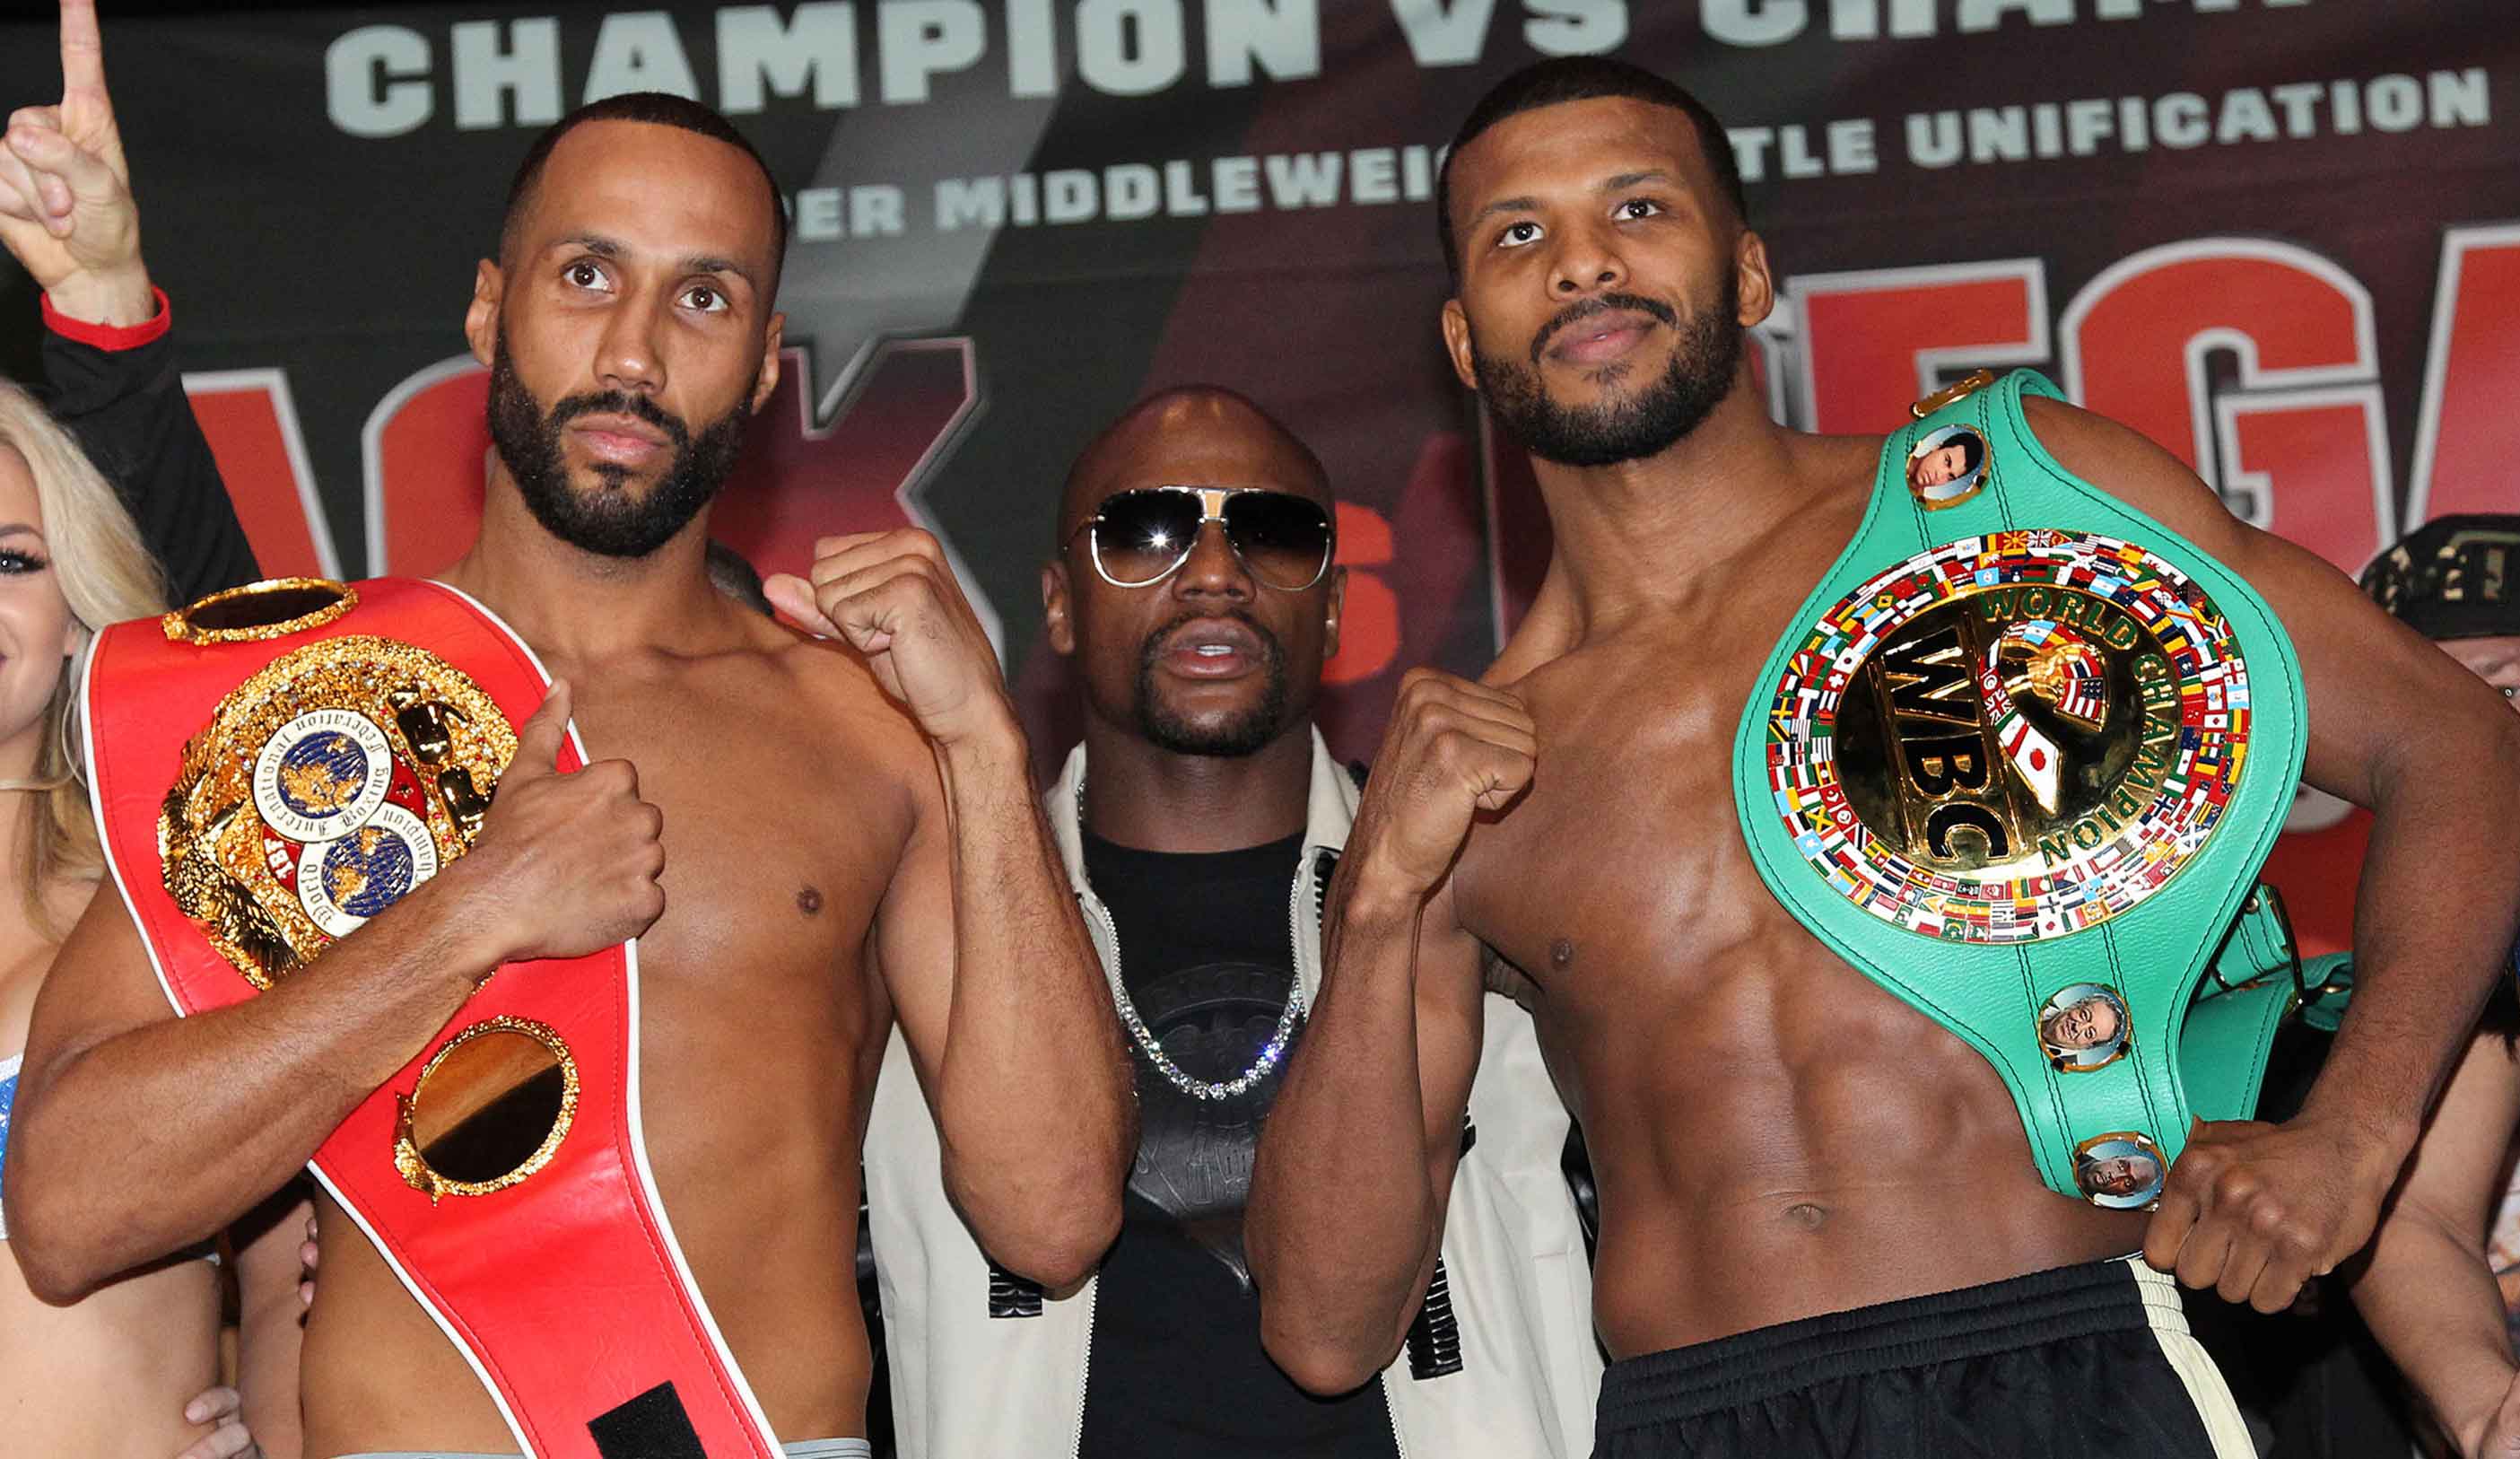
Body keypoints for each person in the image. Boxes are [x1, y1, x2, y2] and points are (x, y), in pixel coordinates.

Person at [1246, 56, 2520, 1459]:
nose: (1580, 266)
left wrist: (2354, 1133)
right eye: (1520, 235)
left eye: (1636, 207)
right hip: (1696, 1419)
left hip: (2071, 1364)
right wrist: (1378, 898)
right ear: (1461, 336)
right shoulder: (1477, 770)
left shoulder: (2007, 508)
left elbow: (2467, 747)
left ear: (1746, 274)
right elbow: (1326, 1326)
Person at [4, 79, 1133, 1459]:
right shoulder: (308, 710)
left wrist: (986, 751)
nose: (637, 352)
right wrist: (470, 915)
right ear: (490, 308)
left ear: (769, 361)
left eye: (704, 298)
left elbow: (1060, 1211)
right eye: (588, 273)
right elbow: (67, 1211)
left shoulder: (866, 731)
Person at [866, 385, 1600, 1457]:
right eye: (1145, 531)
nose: (1215, 572)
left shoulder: (1484, 879)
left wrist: (1394, 892)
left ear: (1338, 606)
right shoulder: (924, 908)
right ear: (1059, 603)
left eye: (1272, 531)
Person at [1, 5, 301, 1453]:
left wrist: (109, 309)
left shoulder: (161, 927)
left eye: (11, 557)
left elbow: (270, 720)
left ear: (78, 611)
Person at [2351, 496, 2520, 1459]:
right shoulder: (2518, 922)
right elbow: (2410, 1205)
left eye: (2501, 686)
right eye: (2426, 713)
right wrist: (2488, 1406)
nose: (2471, 743)